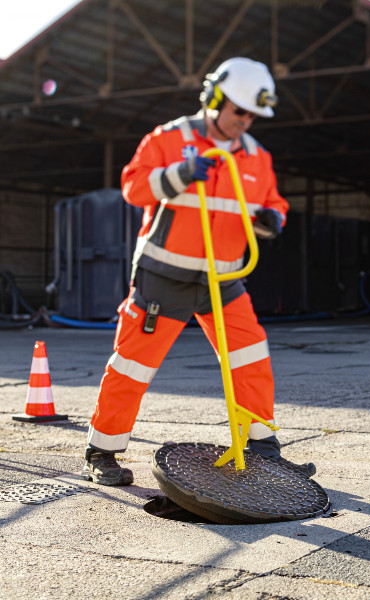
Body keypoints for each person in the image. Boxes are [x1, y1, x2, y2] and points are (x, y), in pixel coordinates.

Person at [81, 57, 315, 486]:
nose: (245, 121)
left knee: (251, 356)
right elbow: (133, 187)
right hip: (164, 277)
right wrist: (179, 174)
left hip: (224, 280)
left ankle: (262, 448)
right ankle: (103, 451)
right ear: (215, 99)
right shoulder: (170, 139)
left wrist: (274, 218)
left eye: (252, 115)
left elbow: (274, 202)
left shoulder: (256, 157)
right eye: (239, 111)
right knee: (133, 365)